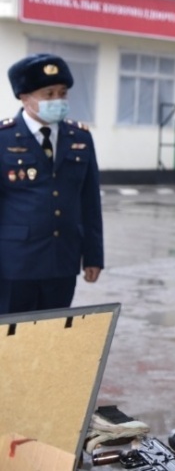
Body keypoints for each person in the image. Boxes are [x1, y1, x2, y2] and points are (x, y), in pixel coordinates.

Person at [0, 54, 103, 315]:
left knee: (53, 339)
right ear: (25, 97)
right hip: (14, 264)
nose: (57, 100)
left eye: (62, 93)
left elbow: (90, 202)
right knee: (12, 341)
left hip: (63, 261)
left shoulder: (80, 137)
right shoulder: (4, 138)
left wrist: (93, 256)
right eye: (48, 94)